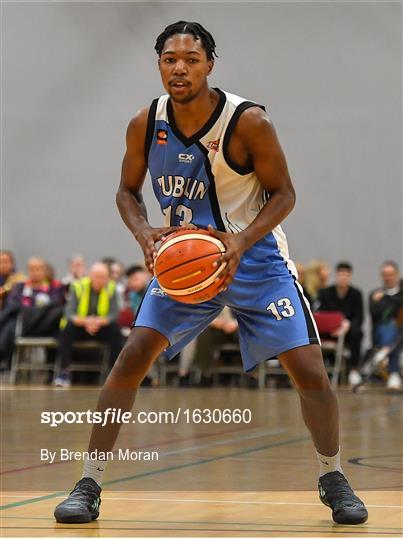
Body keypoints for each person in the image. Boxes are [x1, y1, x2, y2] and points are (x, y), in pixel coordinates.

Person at [54, 21, 367, 525]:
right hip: (185, 263)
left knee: (309, 369)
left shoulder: (249, 122)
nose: (179, 67)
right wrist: (143, 234)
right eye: (170, 59)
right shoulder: (144, 122)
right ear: (159, 65)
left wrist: (241, 240)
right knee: (132, 357)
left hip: (255, 257)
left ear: (209, 64)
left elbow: (284, 193)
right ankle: (88, 481)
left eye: (191, 59)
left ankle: (333, 476)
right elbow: (126, 192)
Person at [54, 263, 123, 388]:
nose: (100, 280)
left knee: (115, 332)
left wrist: (97, 322)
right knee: (66, 330)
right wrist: (86, 322)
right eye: (97, 276)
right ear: (90, 276)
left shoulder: (112, 288)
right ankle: (63, 372)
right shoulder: (78, 286)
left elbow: (114, 314)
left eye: (103, 277)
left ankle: (114, 375)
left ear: (108, 278)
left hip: (101, 326)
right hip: (80, 326)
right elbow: (69, 312)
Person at [0, 257, 65, 368]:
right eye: (32, 269)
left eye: (38, 269)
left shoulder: (55, 288)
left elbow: (55, 306)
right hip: (22, 326)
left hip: (45, 327)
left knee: (55, 312)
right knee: (12, 319)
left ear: (44, 270)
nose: (35, 272)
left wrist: (31, 311)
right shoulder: (20, 287)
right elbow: (13, 304)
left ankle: (3, 358)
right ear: (28, 271)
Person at [316, 262, 364, 386]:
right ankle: (324, 371)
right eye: (341, 275)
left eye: (346, 275)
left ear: (350, 276)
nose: (343, 278)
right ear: (336, 275)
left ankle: (354, 370)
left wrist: (346, 325)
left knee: (357, 332)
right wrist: (333, 326)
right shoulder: (326, 293)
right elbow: (321, 314)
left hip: (348, 331)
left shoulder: (356, 294)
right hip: (330, 331)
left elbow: (359, 317)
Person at [369, 261, 403, 390]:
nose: (387, 278)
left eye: (390, 274)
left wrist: (385, 298)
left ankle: (385, 353)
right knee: (389, 326)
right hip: (382, 332)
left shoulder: (384, 295)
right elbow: (375, 314)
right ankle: (393, 372)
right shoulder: (374, 294)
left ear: (397, 275)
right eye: (385, 275)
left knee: (396, 328)